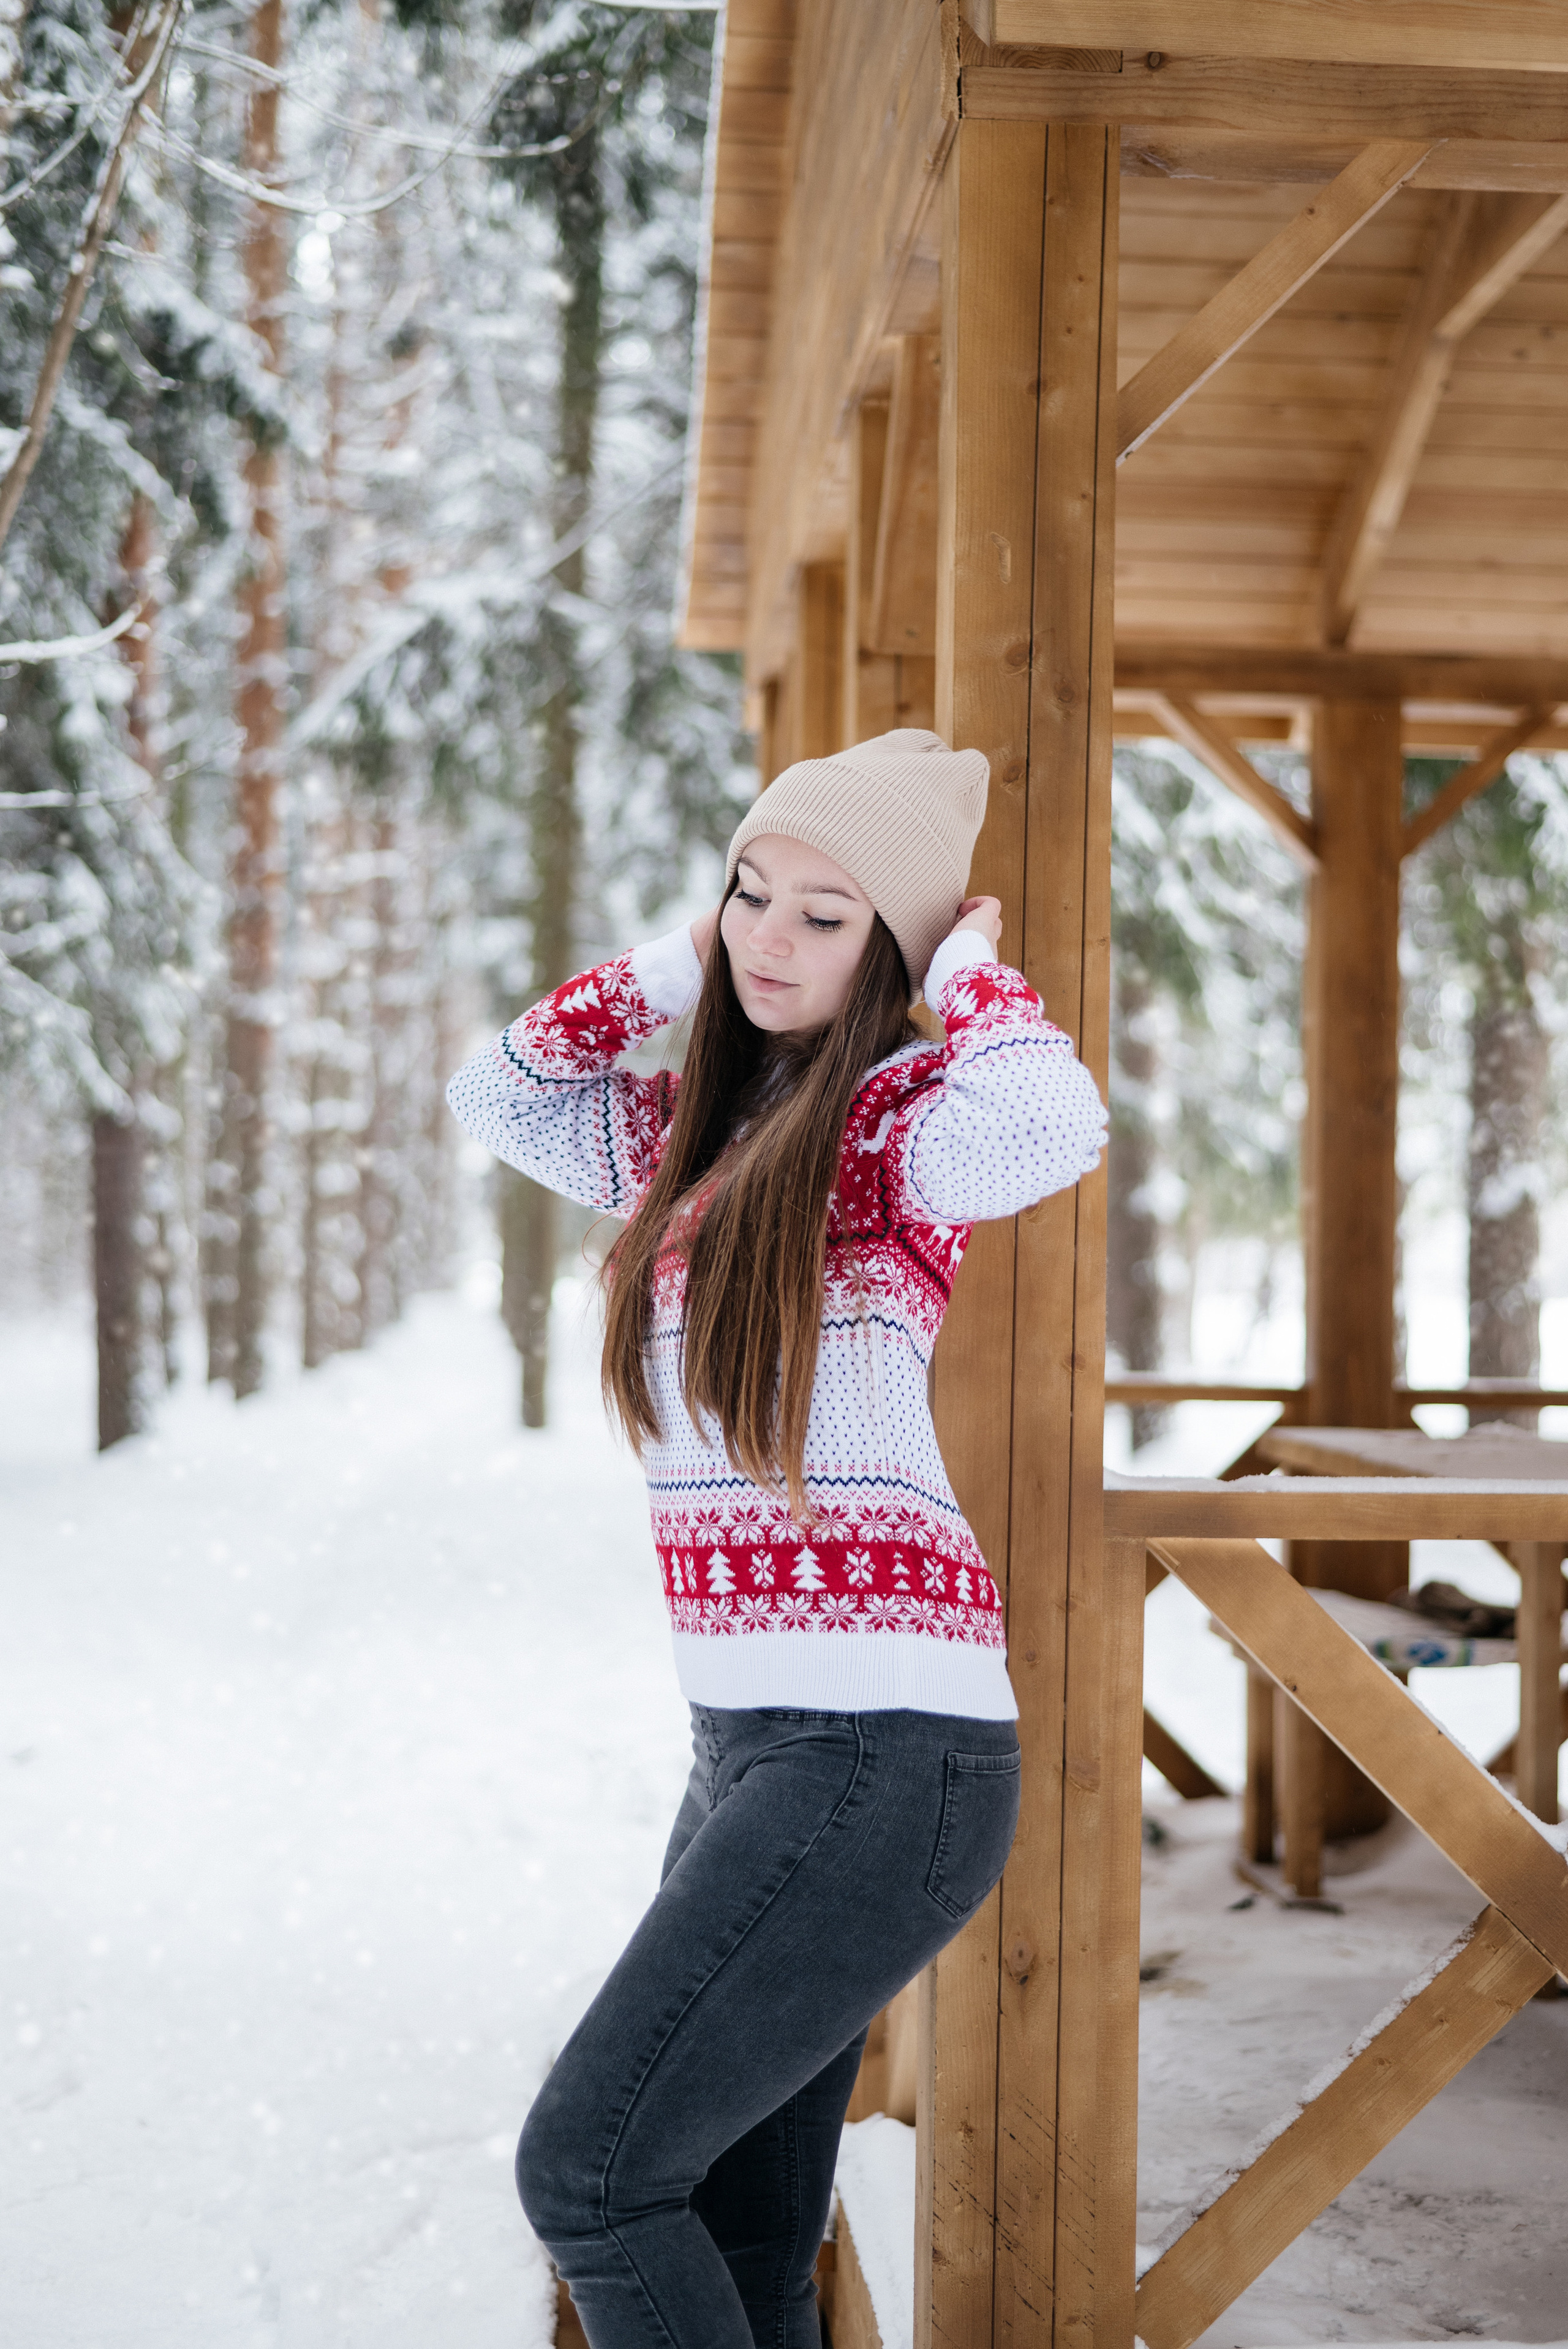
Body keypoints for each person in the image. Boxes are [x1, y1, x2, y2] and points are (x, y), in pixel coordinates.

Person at [447, 728, 1107, 2349]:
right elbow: (497, 1090)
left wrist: (968, 975)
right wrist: (678, 962)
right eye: (753, 893)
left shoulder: (891, 1131)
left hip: (886, 1752)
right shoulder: (689, 1135)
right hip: (751, 1748)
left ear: (892, 948)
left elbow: (1054, 1127)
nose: (772, 939)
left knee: (591, 2174)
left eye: (828, 914)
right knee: (741, 2235)